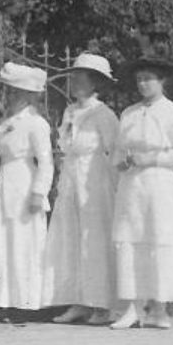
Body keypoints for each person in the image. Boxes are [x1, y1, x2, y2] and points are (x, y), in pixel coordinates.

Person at [108, 55, 173, 330]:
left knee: (158, 239)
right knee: (132, 239)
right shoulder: (129, 113)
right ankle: (134, 308)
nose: (143, 84)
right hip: (133, 186)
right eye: (139, 80)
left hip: (160, 185)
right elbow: (118, 150)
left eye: (149, 79)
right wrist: (121, 162)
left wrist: (151, 160)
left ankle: (159, 309)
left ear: (162, 81)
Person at [0, 62, 54, 324]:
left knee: (23, 243)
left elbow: (46, 161)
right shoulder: (5, 122)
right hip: (5, 182)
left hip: (25, 184)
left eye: (19, 93)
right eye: (10, 92)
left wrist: (39, 193)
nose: (13, 97)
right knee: (0, 241)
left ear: (30, 95)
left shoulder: (36, 123)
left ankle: (24, 303)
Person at [42, 53, 119, 325]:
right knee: (71, 240)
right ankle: (78, 301)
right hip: (72, 181)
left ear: (95, 82)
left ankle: (101, 303)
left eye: (81, 77)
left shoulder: (104, 114)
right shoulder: (70, 111)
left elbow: (115, 154)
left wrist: (114, 189)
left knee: (94, 241)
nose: (75, 82)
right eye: (74, 77)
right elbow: (65, 147)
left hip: (95, 184)